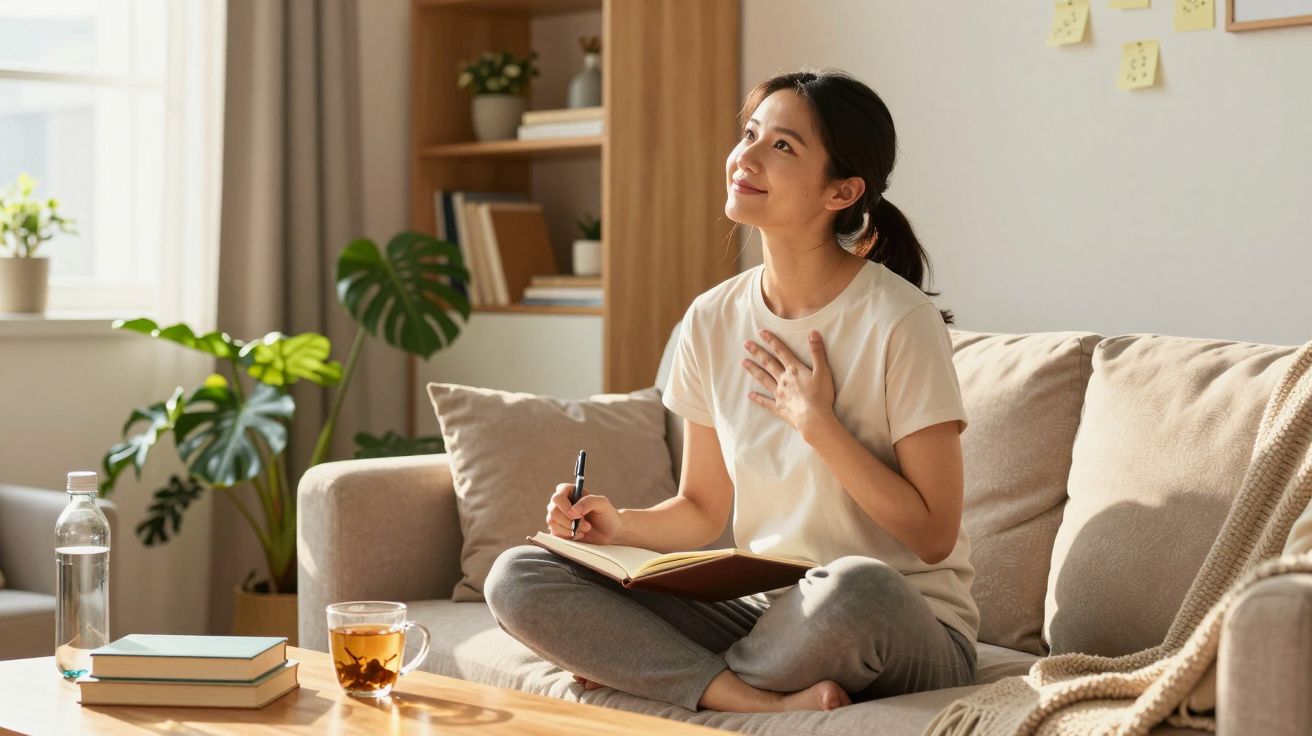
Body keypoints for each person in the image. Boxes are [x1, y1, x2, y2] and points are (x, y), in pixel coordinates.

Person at [484, 68, 978, 714]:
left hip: (898, 620)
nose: (744, 157)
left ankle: (673, 680)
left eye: (782, 146)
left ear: (842, 191)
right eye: (749, 134)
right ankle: (750, 698)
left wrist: (818, 424)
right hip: (769, 617)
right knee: (521, 576)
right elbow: (700, 508)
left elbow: (934, 534)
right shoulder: (711, 319)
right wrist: (615, 526)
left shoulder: (899, 321)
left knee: (856, 587)